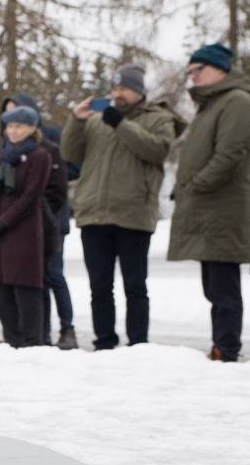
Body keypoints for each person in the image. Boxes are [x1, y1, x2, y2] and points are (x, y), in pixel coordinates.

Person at [64, 64, 184, 350]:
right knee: (99, 288)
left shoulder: (158, 118)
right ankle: (104, 342)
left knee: (135, 286)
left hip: (133, 214)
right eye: (115, 88)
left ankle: (138, 345)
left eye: (125, 89)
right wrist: (76, 120)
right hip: (94, 214)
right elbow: (69, 153)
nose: (118, 94)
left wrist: (120, 124)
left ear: (140, 91)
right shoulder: (96, 120)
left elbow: (157, 149)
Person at [167, 43, 250, 362]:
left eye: (199, 69)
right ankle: (221, 345)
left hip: (223, 207)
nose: (192, 76)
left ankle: (227, 348)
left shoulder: (237, 101)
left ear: (220, 69)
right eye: (190, 71)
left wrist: (196, 185)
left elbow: (231, 154)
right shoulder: (211, 104)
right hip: (207, 207)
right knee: (213, 285)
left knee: (223, 285)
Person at [4, 94, 78, 349]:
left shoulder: (52, 138)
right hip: (24, 224)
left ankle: (67, 328)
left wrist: (42, 201)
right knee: (36, 278)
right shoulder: (10, 147)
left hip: (52, 219)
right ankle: (41, 331)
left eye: (17, 111)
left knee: (53, 274)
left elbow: (73, 168)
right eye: (8, 115)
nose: (12, 120)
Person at [0, 108, 53, 347]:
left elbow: (31, 196)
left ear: (32, 128)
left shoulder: (39, 156)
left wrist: (4, 221)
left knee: (24, 286)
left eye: (19, 126)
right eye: (10, 126)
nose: (13, 131)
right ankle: (12, 339)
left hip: (22, 232)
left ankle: (31, 341)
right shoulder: (2, 156)